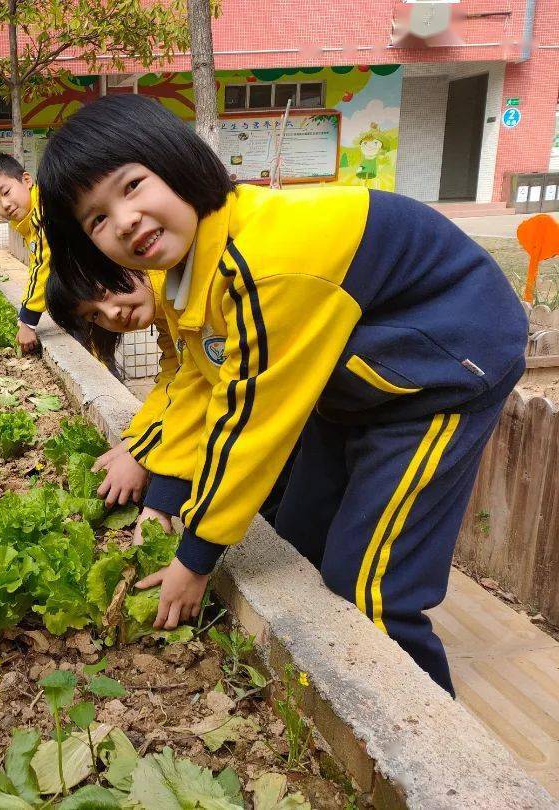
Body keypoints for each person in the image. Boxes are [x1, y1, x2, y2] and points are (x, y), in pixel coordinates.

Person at [38, 94, 527, 697]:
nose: (125, 220)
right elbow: (198, 380)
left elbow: (250, 424)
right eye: (97, 220)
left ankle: (437, 769)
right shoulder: (185, 268)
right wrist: (165, 497)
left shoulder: (263, 263)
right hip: (356, 377)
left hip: (444, 367)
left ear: (179, 160)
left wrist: (194, 560)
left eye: (132, 186)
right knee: (296, 535)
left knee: (371, 588)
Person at [0, 153, 50, 353]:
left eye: (6, 192)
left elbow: (44, 265)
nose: (4, 204)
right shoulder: (31, 218)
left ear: (26, 180)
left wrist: (27, 322)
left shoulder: (44, 213)